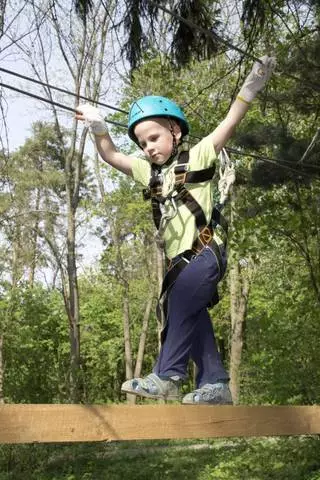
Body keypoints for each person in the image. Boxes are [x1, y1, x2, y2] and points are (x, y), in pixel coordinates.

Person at [76, 56, 275, 404]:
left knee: (181, 303)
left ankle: (168, 375)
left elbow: (230, 122)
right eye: (142, 144)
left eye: (153, 138)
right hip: (178, 263)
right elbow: (110, 155)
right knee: (190, 312)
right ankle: (216, 384)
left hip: (205, 252)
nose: (148, 147)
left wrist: (250, 87)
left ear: (175, 131)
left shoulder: (197, 156)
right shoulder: (148, 172)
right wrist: (97, 126)